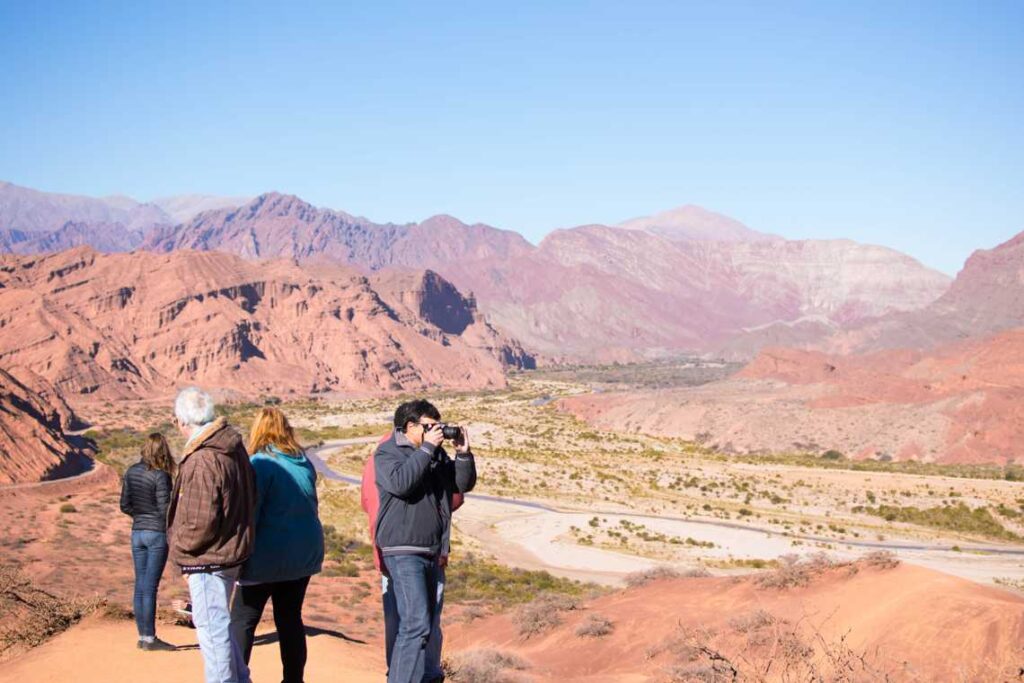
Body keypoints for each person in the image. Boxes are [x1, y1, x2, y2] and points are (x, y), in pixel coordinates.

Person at [374, 399, 477, 683]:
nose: (438, 432)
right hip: (403, 548)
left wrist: (463, 456)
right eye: (431, 426)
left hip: (431, 549)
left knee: (423, 627)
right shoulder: (387, 453)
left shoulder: (437, 455)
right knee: (415, 625)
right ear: (411, 427)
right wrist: (427, 449)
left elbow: (461, 486)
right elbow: (401, 484)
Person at [166, 387, 257, 683]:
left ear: (182, 420)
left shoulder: (203, 458)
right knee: (220, 626)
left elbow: (198, 522)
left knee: (211, 630)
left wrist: (179, 550)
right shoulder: (232, 447)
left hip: (207, 559)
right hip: (230, 552)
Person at [230, 407, 324, 683]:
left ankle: (235, 677)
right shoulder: (302, 460)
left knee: (243, 619)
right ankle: (294, 680)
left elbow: (251, 514)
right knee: (290, 617)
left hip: (266, 556)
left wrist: (238, 554)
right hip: (303, 555)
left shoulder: (260, 463)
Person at [361, 433, 464, 683]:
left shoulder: (377, 458)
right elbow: (454, 499)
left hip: (393, 550)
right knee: (421, 621)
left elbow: (367, 503)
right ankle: (422, 675)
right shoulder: (405, 456)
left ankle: (399, 672)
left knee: (401, 620)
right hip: (416, 551)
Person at [120, 433, 176, 651]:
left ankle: (143, 637)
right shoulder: (161, 476)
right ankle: (150, 639)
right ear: (163, 451)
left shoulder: (131, 471)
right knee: (150, 587)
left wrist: (140, 515)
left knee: (140, 585)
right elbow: (165, 510)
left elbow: (124, 505)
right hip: (156, 534)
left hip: (138, 532)